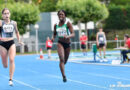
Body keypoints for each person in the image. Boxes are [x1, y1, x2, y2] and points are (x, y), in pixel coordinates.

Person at [0, 8, 23, 86]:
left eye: (8, 13)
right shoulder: (0, 22)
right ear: (2, 15)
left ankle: (10, 79)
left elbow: (17, 32)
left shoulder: (14, 23)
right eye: (5, 14)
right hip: (2, 44)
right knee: (5, 65)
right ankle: (4, 61)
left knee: (12, 59)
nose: (6, 15)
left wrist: (19, 40)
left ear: (10, 14)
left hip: (11, 42)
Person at [51, 10, 75, 82]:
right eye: (59, 15)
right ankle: (64, 76)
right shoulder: (56, 24)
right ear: (58, 16)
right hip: (60, 43)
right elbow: (55, 33)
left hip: (67, 44)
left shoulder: (68, 23)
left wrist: (68, 36)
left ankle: (62, 66)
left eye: (62, 14)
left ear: (65, 15)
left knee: (65, 61)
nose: (60, 16)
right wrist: (53, 38)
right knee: (61, 59)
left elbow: (73, 34)